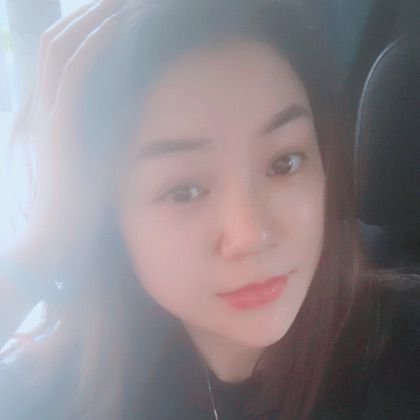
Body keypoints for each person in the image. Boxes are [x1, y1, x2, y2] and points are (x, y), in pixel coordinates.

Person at [0, 0, 419, 419]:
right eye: (184, 191)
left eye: (284, 163)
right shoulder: (77, 386)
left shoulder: (400, 348)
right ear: (106, 214)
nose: (251, 235)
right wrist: (43, 243)